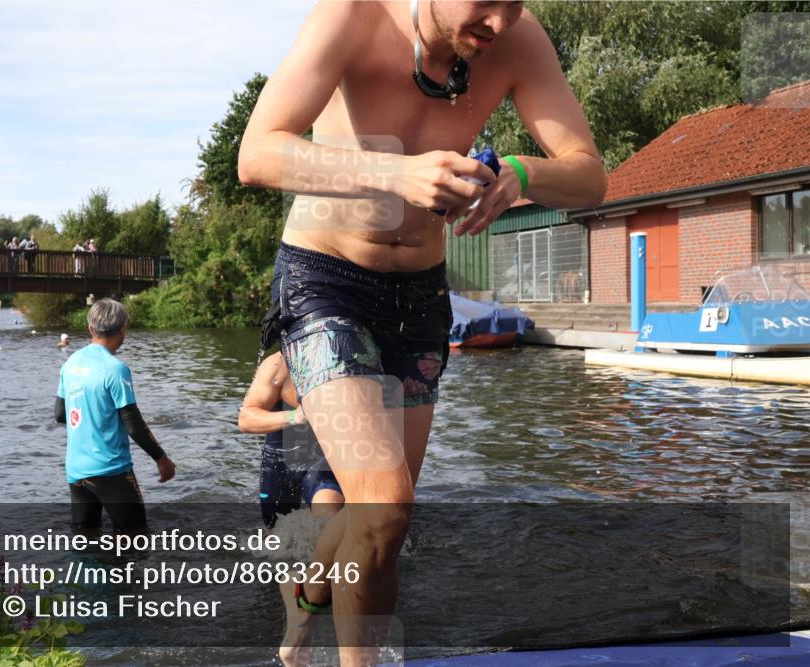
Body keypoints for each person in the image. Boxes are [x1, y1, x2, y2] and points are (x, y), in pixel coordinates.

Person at [238, 2, 605, 664]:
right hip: (326, 282)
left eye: (513, 3)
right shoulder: (351, 15)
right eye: (484, 2)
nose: (497, 22)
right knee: (384, 502)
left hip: (419, 298)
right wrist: (395, 172)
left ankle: (306, 599)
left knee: (381, 523)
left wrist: (521, 173)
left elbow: (590, 172)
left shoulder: (517, 42)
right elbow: (257, 153)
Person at [239, 351, 345, 666]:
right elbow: (246, 418)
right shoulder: (276, 365)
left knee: (328, 531)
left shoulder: (346, 354)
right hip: (279, 464)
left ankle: (313, 618)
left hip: (325, 463)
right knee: (278, 544)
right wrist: (295, 417)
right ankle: (291, 598)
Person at [54, 299, 176, 534]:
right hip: (111, 471)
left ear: (91, 328)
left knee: (86, 541)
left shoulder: (69, 365)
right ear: (123, 329)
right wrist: (162, 459)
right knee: (136, 542)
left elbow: (60, 415)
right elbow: (133, 424)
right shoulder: (115, 369)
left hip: (76, 471)